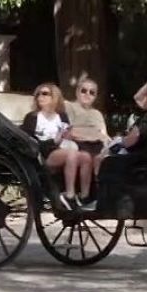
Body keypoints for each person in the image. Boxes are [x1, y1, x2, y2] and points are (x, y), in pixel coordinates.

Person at [21, 82, 93, 211]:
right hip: (44, 154)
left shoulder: (61, 116)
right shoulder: (32, 117)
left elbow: (67, 136)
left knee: (86, 157)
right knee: (71, 154)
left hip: (63, 149)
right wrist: (54, 141)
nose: (40, 97)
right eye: (38, 94)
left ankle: (85, 197)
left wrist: (68, 136)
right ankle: (69, 196)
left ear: (55, 97)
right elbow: (29, 143)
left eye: (45, 94)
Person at [66, 76, 111, 170]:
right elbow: (69, 131)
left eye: (92, 92)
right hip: (78, 145)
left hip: (98, 146)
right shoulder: (69, 106)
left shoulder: (97, 113)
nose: (87, 94)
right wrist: (94, 134)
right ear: (77, 92)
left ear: (95, 96)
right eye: (84, 91)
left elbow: (104, 135)